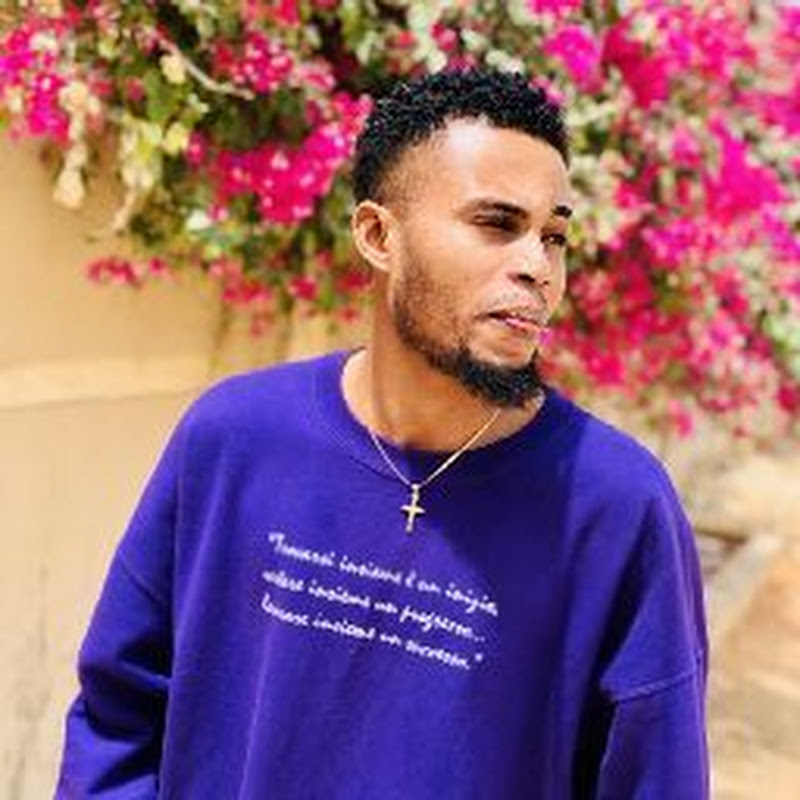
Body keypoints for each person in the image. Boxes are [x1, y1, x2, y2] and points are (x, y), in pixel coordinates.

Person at [56, 68, 709, 798]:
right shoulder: (234, 439)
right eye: (497, 224)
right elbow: (119, 719)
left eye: (553, 236)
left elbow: (656, 779)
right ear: (376, 235)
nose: (538, 268)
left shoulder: (618, 509)